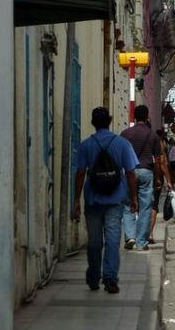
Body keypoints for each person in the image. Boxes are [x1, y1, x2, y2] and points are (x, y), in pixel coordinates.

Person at [72, 107, 139, 294]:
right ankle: (110, 279)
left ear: (93, 123)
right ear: (109, 122)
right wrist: (134, 197)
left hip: (93, 201)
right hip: (115, 200)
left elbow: (80, 173)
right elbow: (131, 173)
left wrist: (76, 200)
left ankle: (94, 276)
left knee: (94, 242)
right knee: (112, 240)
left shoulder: (86, 145)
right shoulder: (122, 144)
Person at [120, 105, 162, 251]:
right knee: (145, 207)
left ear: (134, 116)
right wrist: (157, 177)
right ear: (147, 117)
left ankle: (130, 236)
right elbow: (158, 159)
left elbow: (120, 155)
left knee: (128, 204)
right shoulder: (152, 135)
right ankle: (142, 242)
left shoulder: (125, 134)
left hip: (129, 172)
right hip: (146, 171)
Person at [149, 129, 173, 245]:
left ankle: (134, 235)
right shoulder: (157, 141)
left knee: (138, 206)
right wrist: (168, 181)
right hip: (154, 178)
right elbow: (162, 162)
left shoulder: (134, 138)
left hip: (135, 176)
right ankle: (149, 234)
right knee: (153, 206)